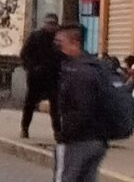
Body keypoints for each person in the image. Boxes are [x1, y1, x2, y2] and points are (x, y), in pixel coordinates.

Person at [54, 24, 108, 182]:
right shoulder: (93, 66)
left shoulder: (76, 71)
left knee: (65, 178)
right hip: (98, 140)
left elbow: (81, 107)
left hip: (78, 140)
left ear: (74, 42)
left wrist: (65, 136)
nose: (57, 46)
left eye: (60, 42)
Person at [19, 13, 63, 140]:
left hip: (53, 77)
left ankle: (57, 131)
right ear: (44, 24)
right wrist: (32, 68)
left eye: (53, 24)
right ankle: (24, 128)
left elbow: (63, 56)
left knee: (55, 105)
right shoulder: (36, 36)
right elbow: (24, 54)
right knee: (30, 103)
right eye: (49, 24)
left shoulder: (58, 39)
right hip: (36, 77)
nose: (51, 27)